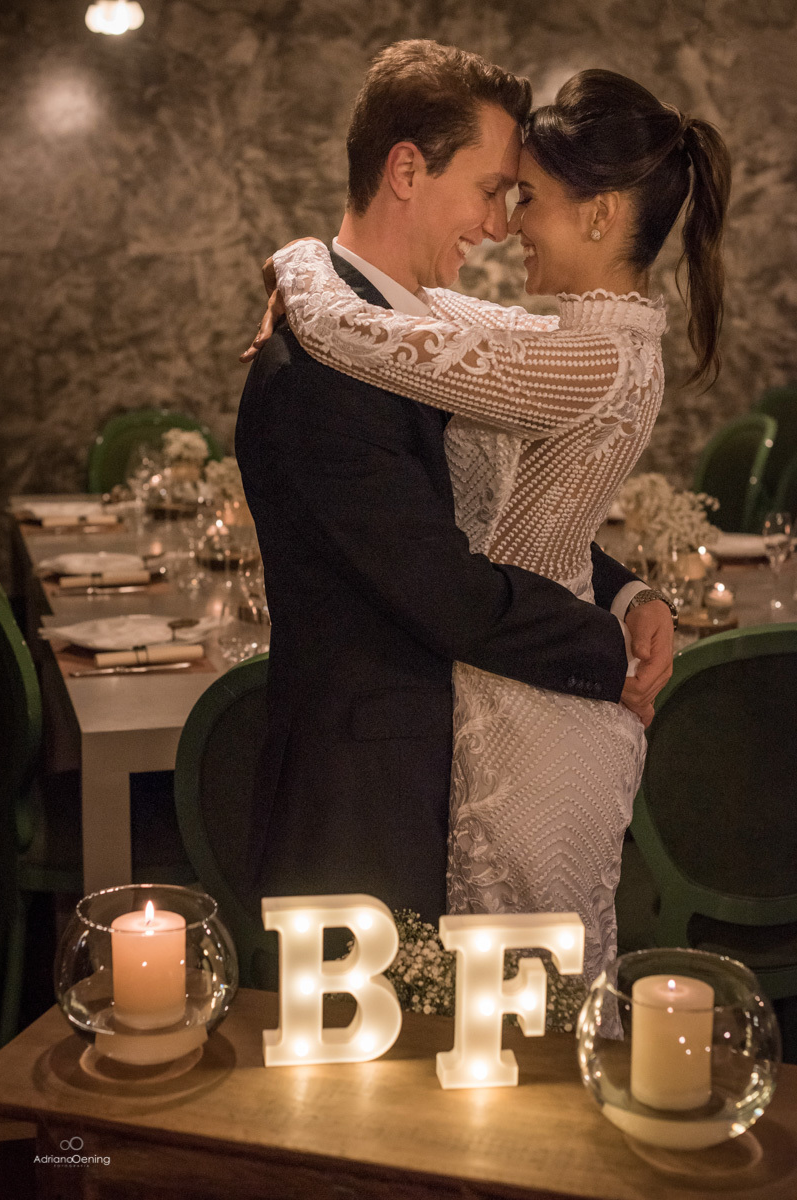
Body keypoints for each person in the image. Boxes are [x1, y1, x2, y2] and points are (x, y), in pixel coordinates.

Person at [257, 63, 730, 988]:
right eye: (493, 191)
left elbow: (370, 337)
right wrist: (625, 596)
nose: (505, 222)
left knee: (525, 1011)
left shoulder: (580, 354)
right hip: (419, 753)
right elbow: (469, 539)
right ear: (405, 171)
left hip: (523, 717)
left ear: (599, 215)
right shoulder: (571, 342)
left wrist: (296, 262)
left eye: (526, 199)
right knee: (500, 1014)